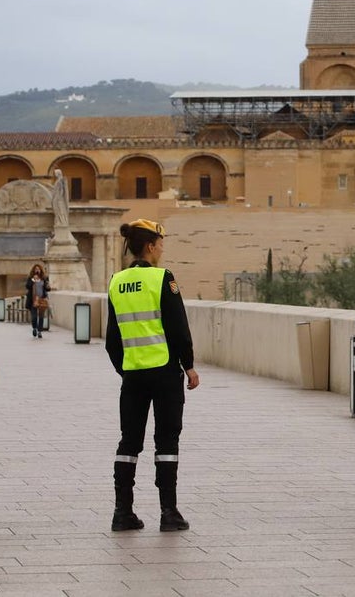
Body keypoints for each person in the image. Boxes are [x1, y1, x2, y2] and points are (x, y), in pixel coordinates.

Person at [106, 219, 200, 532]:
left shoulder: (116, 282)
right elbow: (177, 327)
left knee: (129, 442)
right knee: (167, 440)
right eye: (160, 243)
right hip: (163, 372)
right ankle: (169, 512)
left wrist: (126, 367)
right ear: (150, 246)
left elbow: (112, 339)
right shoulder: (162, 278)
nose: (162, 249)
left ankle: (123, 512)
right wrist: (188, 364)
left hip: (133, 375)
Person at [24, 263, 50, 338]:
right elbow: (27, 286)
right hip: (33, 300)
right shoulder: (31, 278)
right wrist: (33, 280)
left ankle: (40, 331)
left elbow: (47, 289)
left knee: (41, 317)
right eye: (36, 269)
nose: (37, 270)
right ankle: (35, 328)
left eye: (38, 269)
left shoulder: (44, 278)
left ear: (40, 270)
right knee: (34, 317)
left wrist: (47, 286)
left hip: (42, 299)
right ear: (33, 270)